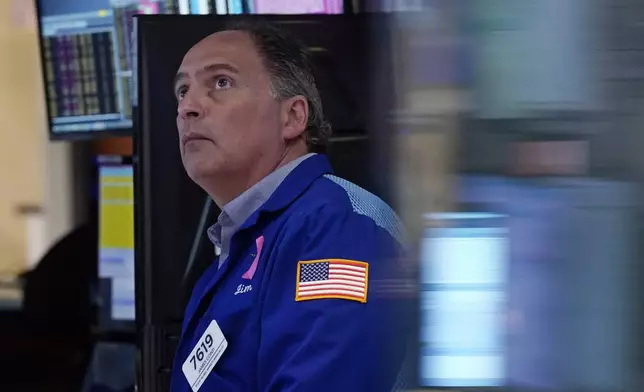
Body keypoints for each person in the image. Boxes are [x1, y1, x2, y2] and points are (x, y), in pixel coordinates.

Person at [170, 19, 409, 392]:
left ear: (293, 117)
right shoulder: (239, 247)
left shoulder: (336, 227)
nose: (188, 107)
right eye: (182, 91)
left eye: (220, 82)